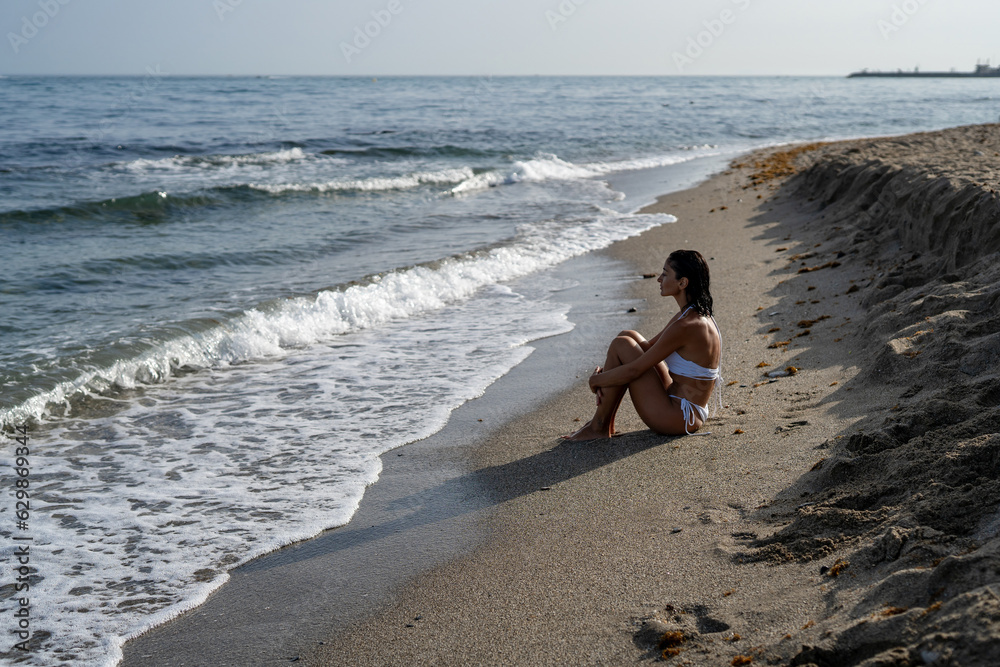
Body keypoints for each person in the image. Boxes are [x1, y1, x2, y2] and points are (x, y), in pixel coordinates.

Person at [563, 249, 721, 440]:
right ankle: (603, 423)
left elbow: (634, 371)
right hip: (687, 409)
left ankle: (599, 426)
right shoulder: (694, 315)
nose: (659, 279)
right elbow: (647, 348)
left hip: (679, 418)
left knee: (622, 344)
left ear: (682, 283)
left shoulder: (686, 325)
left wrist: (595, 381)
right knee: (628, 336)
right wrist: (608, 375)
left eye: (665, 273)